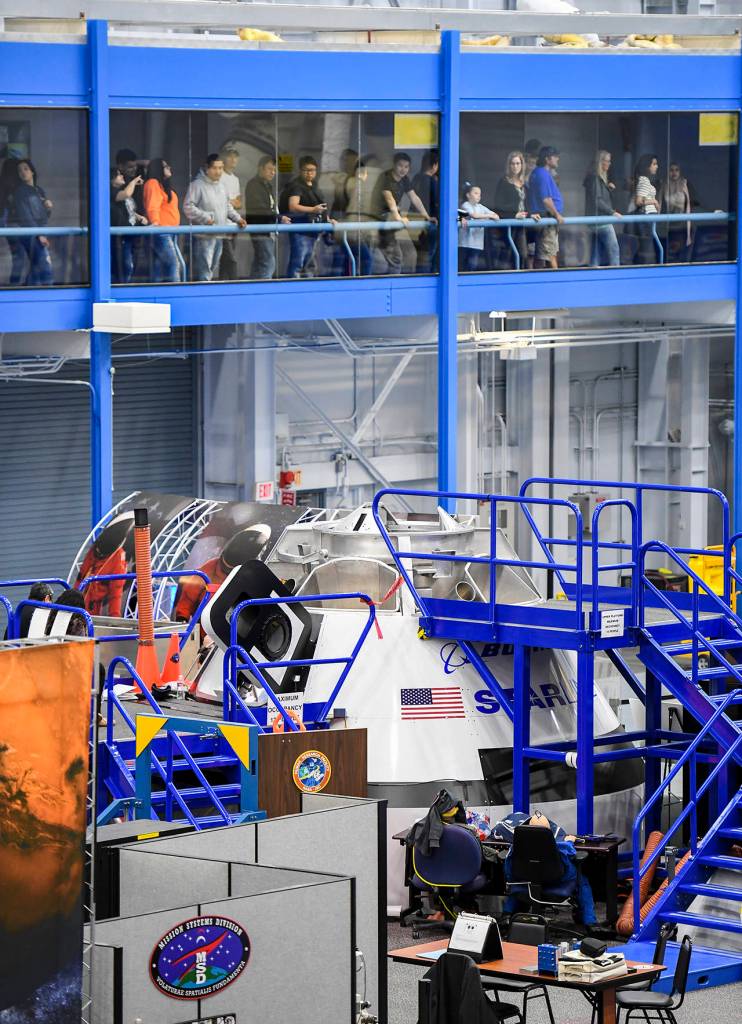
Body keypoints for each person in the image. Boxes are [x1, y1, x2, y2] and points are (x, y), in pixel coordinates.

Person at [493, 810, 597, 927]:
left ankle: (506, 915)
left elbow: (509, 871)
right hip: (554, 883)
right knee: (582, 880)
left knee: (517, 882)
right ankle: (591, 923)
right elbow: (571, 852)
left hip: (525, 885)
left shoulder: (516, 845)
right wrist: (569, 841)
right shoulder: (561, 846)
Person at [173, 524, 272, 622]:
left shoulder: (252, 575)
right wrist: (182, 618)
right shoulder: (210, 568)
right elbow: (188, 596)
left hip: (232, 625)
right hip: (206, 623)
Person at [183, 153, 247, 282]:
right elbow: (187, 207)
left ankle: (205, 290)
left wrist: (238, 219)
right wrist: (206, 218)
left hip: (220, 234)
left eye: (220, 168)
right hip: (204, 235)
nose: (218, 172)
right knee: (204, 269)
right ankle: (202, 293)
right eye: (215, 168)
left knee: (211, 268)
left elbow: (227, 206)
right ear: (207, 168)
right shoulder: (197, 185)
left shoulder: (222, 186)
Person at [371, 151, 434, 274]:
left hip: (393, 219)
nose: (403, 169)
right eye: (400, 165)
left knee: (409, 254)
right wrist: (398, 218)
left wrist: (426, 216)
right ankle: (392, 284)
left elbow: (414, 197)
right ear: (394, 165)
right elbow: (390, 200)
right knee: (395, 257)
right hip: (382, 219)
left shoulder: (405, 179)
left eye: (406, 167)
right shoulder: (386, 177)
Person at [279, 155, 332, 279]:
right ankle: (293, 288)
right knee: (298, 263)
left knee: (310, 264)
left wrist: (327, 219)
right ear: (300, 170)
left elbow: (321, 207)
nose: (309, 173)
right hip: (300, 229)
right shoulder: (296, 186)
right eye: (306, 170)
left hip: (313, 231)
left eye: (312, 170)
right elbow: (293, 206)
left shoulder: (314, 186)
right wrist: (313, 209)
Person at [74, 513, 133, 617]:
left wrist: (115, 620)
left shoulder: (117, 559)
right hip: (79, 602)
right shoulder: (95, 548)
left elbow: (116, 594)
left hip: (92, 610)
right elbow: (81, 576)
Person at [8, 159, 54, 286]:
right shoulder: (20, 192)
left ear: (32, 171)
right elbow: (25, 216)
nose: (22, 172)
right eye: (19, 170)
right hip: (32, 234)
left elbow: (44, 216)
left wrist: (48, 208)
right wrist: (39, 234)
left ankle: (23, 292)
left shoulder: (39, 190)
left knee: (36, 268)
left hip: (40, 231)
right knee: (45, 268)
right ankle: (48, 296)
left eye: (25, 169)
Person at [142, 158, 181, 283]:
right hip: (161, 231)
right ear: (158, 169)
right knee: (174, 264)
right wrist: (155, 222)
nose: (169, 168)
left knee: (158, 266)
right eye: (165, 166)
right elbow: (152, 205)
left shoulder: (163, 186)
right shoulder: (153, 183)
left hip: (170, 231)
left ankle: (157, 295)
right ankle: (177, 293)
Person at [244, 155, 283, 280]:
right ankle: (262, 291)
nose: (273, 172)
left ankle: (253, 289)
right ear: (260, 168)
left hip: (267, 230)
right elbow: (260, 209)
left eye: (274, 170)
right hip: (260, 229)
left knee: (260, 262)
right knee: (268, 263)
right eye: (269, 169)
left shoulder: (267, 185)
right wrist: (278, 217)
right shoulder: (254, 185)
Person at [527, 145, 564, 270]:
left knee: (545, 254)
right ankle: (555, 281)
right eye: (555, 157)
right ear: (547, 159)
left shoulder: (539, 173)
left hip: (545, 219)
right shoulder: (542, 174)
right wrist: (557, 214)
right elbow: (546, 200)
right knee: (548, 255)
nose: (558, 159)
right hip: (546, 219)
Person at [492, 150, 531, 269]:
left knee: (523, 255)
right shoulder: (504, 182)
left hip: (521, 225)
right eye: (513, 164)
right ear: (509, 165)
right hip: (509, 224)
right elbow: (498, 205)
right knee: (508, 255)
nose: (515, 166)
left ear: (522, 165)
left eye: (518, 163)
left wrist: (532, 214)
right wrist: (514, 214)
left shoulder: (525, 183)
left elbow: (527, 204)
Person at [583, 150, 622, 267]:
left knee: (596, 251)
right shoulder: (595, 178)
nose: (609, 164)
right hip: (601, 220)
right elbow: (597, 200)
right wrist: (612, 212)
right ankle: (616, 275)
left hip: (596, 220)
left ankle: (593, 272)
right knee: (614, 249)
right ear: (601, 162)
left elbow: (597, 198)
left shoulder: (596, 178)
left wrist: (608, 189)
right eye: (607, 161)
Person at [110, 166, 148, 283]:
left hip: (132, 235)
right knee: (126, 266)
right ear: (111, 179)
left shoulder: (123, 190)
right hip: (120, 237)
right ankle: (122, 288)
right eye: (118, 174)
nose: (121, 176)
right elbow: (126, 194)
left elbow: (129, 210)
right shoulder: (110, 191)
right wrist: (133, 182)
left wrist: (140, 217)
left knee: (132, 265)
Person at [341, 158, 376, 276]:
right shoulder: (359, 186)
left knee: (350, 259)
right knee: (366, 259)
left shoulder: (348, 184)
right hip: (354, 230)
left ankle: (347, 282)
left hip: (349, 229)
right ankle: (364, 285)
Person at [458, 183, 499, 271]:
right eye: (476, 193)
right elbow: (474, 215)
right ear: (468, 195)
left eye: (479, 194)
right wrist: (488, 216)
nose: (478, 196)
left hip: (476, 243)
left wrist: (491, 215)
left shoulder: (480, 207)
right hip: (465, 242)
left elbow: (495, 215)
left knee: (472, 265)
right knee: (463, 265)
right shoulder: (465, 205)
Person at [411, 149, 439, 273]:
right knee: (428, 254)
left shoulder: (416, 178)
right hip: (430, 222)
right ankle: (426, 277)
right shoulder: (432, 181)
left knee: (419, 253)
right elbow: (437, 202)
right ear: (434, 165)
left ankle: (419, 275)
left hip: (414, 219)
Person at [664, 161, 697, 263]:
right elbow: (660, 204)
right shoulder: (664, 185)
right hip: (669, 228)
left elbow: (696, 201)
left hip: (684, 227)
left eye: (676, 170)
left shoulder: (685, 184)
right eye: (671, 170)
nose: (674, 173)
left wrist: (713, 210)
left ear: (680, 172)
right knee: (670, 258)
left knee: (684, 257)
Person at [631, 153, 661, 265]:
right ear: (647, 166)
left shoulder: (646, 180)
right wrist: (654, 201)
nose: (656, 166)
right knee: (647, 248)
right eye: (654, 164)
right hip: (646, 218)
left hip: (649, 218)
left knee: (647, 247)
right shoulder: (644, 180)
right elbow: (638, 201)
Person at [218, 148, 243, 280]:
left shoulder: (235, 179)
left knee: (225, 259)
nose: (233, 160)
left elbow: (239, 202)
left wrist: (231, 202)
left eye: (235, 157)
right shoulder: (219, 176)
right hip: (222, 223)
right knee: (231, 259)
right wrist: (230, 202)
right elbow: (221, 201)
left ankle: (222, 282)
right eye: (230, 157)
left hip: (234, 223)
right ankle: (235, 284)